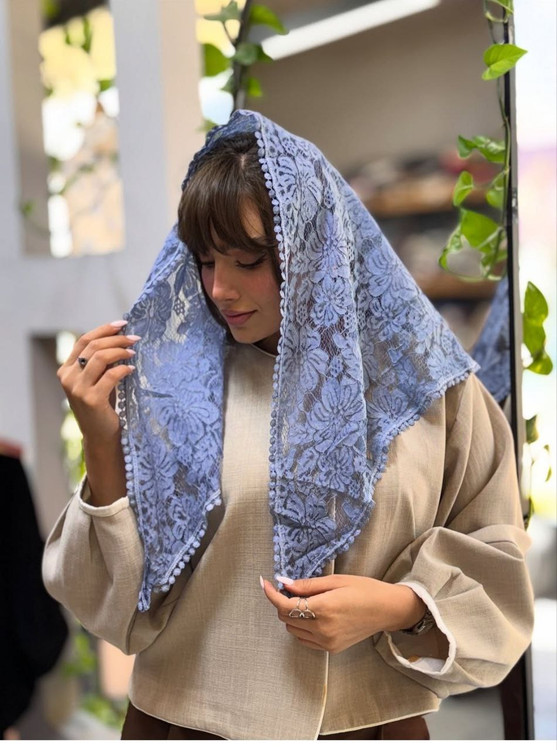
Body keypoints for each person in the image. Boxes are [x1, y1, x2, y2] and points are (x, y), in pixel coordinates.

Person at [43, 110, 534, 741]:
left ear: (316, 247)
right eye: (204, 260)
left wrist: (397, 606)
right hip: (187, 725)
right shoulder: (172, 384)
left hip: (369, 725)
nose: (220, 289)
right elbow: (118, 602)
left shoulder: (434, 393)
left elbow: (498, 569)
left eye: (248, 260)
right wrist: (100, 437)